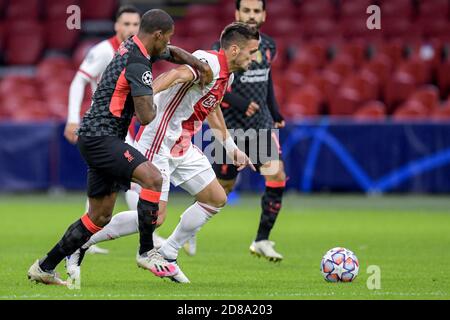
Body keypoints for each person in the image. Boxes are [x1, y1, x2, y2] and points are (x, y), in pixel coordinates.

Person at [27, 9, 212, 285]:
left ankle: (44, 266)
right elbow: (146, 116)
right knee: (153, 178)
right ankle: (147, 251)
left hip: (94, 136)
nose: (168, 44)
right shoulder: (139, 64)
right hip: (103, 137)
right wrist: (158, 87)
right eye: (167, 38)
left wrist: (198, 65)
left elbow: (169, 52)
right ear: (158, 35)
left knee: (98, 217)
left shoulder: (132, 45)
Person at [65, 22, 259, 285]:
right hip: (159, 139)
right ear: (235, 49)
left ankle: (168, 253)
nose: (254, 57)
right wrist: (144, 96)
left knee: (216, 198)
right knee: (156, 217)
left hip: (182, 144)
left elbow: (211, 107)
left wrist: (231, 148)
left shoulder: (228, 75)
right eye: (252, 51)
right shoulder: (208, 62)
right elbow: (176, 75)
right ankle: (81, 242)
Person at [63, 5, 165, 253]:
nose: (130, 29)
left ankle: (89, 235)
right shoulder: (103, 51)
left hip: (119, 126)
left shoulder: (137, 51)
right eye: (126, 24)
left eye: (135, 25)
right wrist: (72, 118)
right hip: (102, 126)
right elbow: (79, 80)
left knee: (133, 180)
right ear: (116, 26)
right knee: (144, 177)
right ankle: (146, 236)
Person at [208, 0, 287, 262]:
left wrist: (274, 111)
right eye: (247, 11)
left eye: (256, 11)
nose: (251, 15)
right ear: (237, 14)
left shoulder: (269, 46)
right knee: (222, 190)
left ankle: (262, 239)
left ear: (264, 14)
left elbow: (268, 79)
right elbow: (213, 85)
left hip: (260, 125)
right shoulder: (223, 48)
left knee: (276, 175)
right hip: (229, 127)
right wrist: (242, 104)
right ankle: (189, 230)